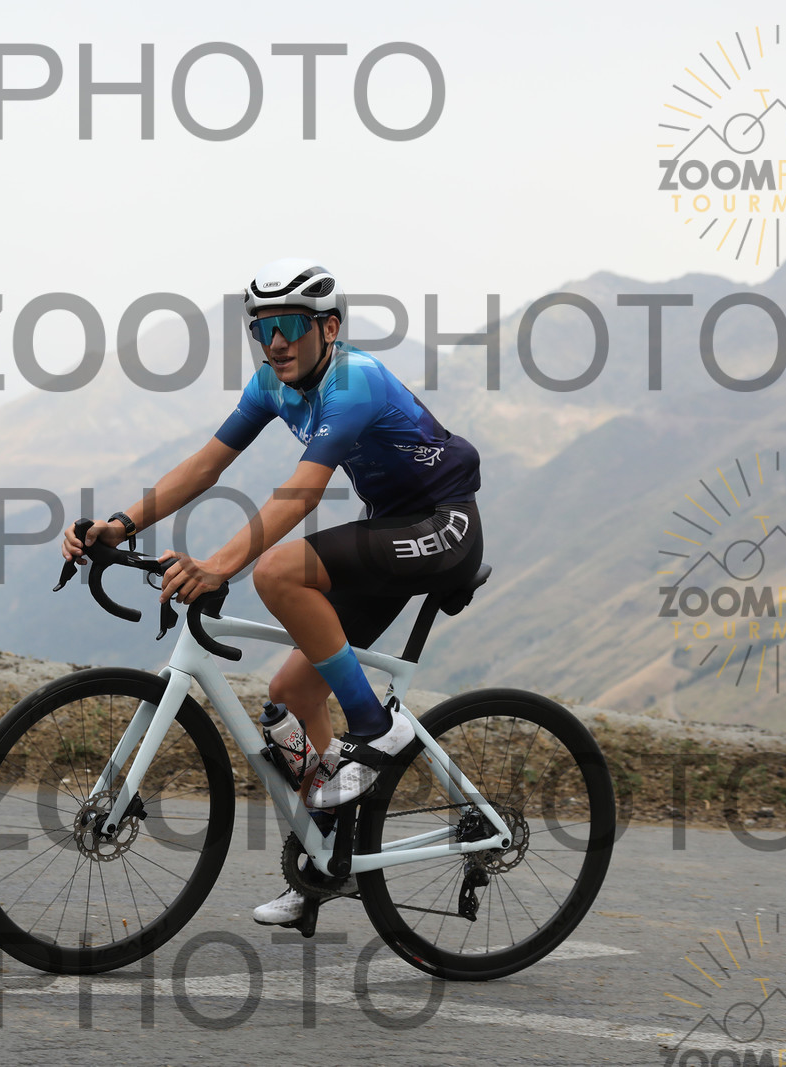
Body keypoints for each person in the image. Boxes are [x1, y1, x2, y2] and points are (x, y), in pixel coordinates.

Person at [61, 258, 483, 926]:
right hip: (391, 530)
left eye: (290, 325)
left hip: (443, 527)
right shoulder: (272, 385)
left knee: (277, 571)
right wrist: (122, 523)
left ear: (329, 328)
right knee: (290, 695)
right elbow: (205, 465)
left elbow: (303, 492)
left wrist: (219, 565)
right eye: (262, 329)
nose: (276, 342)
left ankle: (379, 728)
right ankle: (328, 860)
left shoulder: (354, 382)